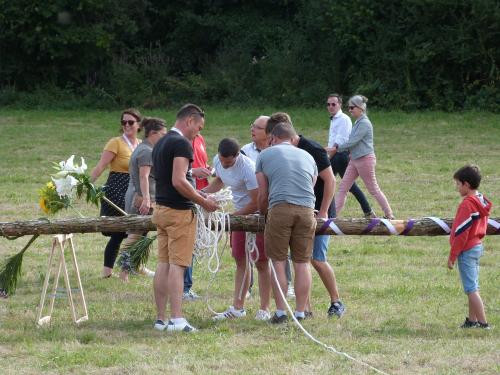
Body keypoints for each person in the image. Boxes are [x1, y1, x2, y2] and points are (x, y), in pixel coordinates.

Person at [267, 112, 345, 318]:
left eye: (272, 138)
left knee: (316, 259)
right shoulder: (281, 151)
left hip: (318, 209)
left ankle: (336, 301)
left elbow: (330, 180)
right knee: (301, 259)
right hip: (300, 209)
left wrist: (325, 210)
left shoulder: (312, 149)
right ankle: (306, 309)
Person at [151, 104, 218, 332]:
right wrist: (204, 201)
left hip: (160, 209)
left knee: (163, 264)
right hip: (178, 212)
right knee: (178, 266)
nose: (197, 133)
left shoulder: (160, 142)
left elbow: (170, 179)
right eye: (198, 128)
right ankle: (178, 319)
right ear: (189, 120)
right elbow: (179, 180)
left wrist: (197, 192)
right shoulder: (181, 143)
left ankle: (161, 319)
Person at [256, 122, 318, 323]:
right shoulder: (308, 156)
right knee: (302, 262)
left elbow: (263, 193)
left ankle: (281, 311)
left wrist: (265, 213)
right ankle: (301, 312)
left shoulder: (264, 155)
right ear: (293, 139)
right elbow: (312, 184)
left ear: (272, 139)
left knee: (278, 262)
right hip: (307, 210)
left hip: (280, 208)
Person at [206, 138, 272, 321]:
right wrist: (203, 194)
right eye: (222, 160)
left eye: (229, 162)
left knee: (261, 262)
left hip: (257, 216)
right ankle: (238, 307)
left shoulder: (248, 168)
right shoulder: (218, 161)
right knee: (241, 260)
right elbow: (220, 179)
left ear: (237, 156)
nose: (225, 165)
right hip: (238, 217)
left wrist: (233, 217)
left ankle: (264, 309)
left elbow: (256, 201)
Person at [91, 108, 142, 278]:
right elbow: (101, 166)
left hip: (133, 189)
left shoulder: (141, 144)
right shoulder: (116, 142)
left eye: (130, 122)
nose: (126, 125)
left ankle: (109, 271)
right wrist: (87, 184)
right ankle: (126, 270)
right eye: (123, 122)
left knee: (123, 232)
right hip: (117, 189)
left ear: (139, 125)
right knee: (133, 228)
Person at [118, 117, 167, 282]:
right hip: (140, 197)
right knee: (134, 235)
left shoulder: (144, 148)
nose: (164, 138)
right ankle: (124, 273)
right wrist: (146, 199)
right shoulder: (147, 151)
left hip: (138, 195)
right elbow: (144, 176)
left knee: (139, 234)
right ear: (153, 133)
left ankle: (133, 268)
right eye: (162, 134)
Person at [331, 95, 394, 219]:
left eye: (352, 107)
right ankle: (333, 217)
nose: (349, 110)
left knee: (373, 189)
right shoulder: (358, 122)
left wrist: (336, 148)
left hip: (365, 160)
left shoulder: (364, 123)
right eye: (348, 108)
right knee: (343, 188)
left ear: (360, 108)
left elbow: (353, 141)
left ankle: (389, 215)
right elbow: (352, 142)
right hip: (354, 160)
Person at [448, 165, 492, 329]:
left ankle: (483, 323)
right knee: (473, 285)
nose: (457, 187)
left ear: (466, 184)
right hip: (477, 246)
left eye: (458, 184)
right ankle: (472, 321)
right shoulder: (480, 199)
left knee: (471, 289)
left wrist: (452, 256)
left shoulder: (467, 204)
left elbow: (461, 233)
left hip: (467, 250)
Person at [324, 94, 374, 218]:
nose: (330, 107)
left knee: (349, 186)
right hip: (334, 156)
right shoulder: (334, 119)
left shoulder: (344, 119)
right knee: (326, 183)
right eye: (328, 104)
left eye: (333, 104)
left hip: (340, 156)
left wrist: (328, 157)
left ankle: (368, 211)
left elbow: (339, 142)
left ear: (340, 105)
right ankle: (326, 212)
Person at [182, 134, 211, 300]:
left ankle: (186, 286)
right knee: (187, 243)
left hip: (200, 192)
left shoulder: (200, 139)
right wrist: (194, 172)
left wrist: (207, 170)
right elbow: (179, 171)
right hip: (189, 196)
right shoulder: (181, 141)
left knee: (192, 242)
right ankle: (184, 288)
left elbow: (201, 162)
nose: (200, 129)